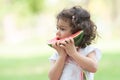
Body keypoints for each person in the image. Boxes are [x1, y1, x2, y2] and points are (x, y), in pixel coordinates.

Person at [48, 6, 101, 80]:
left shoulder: (87, 50)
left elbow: (93, 68)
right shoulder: (57, 54)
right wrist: (61, 56)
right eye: (58, 28)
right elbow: (53, 78)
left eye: (62, 29)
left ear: (77, 32)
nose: (57, 33)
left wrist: (73, 53)